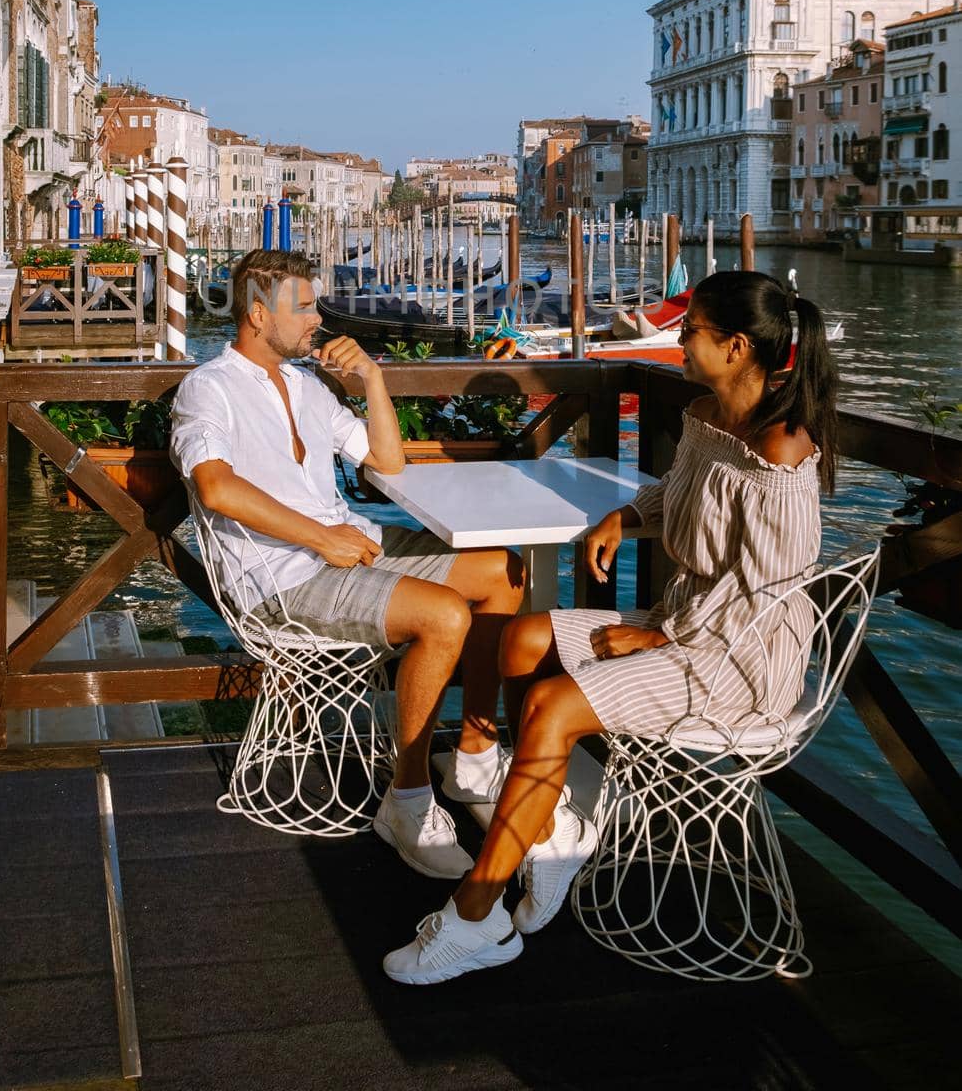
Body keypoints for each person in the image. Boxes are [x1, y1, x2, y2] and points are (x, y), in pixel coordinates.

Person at [384, 269, 838, 983]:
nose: (679, 339)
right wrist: (625, 518)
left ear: (737, 346)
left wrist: (663, 638)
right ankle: (548, 823)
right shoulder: (706, 415)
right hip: (684, 622)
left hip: (741, 659)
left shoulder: (780, 451)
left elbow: (777, 593)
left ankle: (477, 915)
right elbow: (676, 494)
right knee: (520, 639)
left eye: (691, 330)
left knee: (550, 706)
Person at [170, 248, 525, 879]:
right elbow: (216, 487)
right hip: (281, 582)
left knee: (502, 572)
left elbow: (387, 464)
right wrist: (320, 537)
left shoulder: (308, 385)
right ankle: (408, 801)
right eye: (303, 307)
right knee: (444, 617)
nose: (318, 319)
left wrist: (374, 380)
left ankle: (471, 754)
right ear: (257, 313)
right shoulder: (209, 387)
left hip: (350, 552)